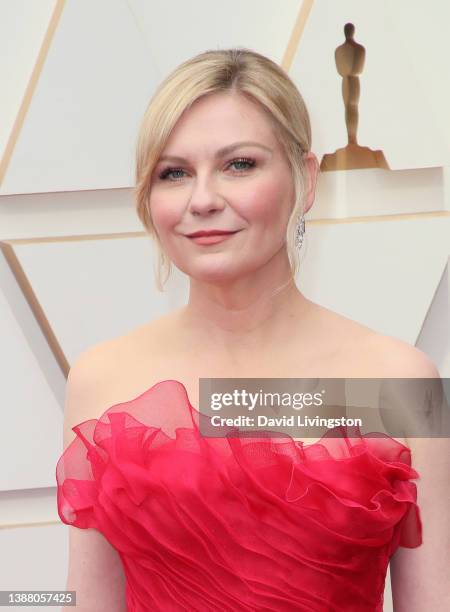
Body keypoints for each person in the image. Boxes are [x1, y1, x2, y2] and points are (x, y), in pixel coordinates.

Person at [55, 48, 448, 611]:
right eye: (174, 173)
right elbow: (86, 601)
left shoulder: (395, 381)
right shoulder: (103, 379)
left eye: (239, 164)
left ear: (305, 179)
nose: (204, 199)